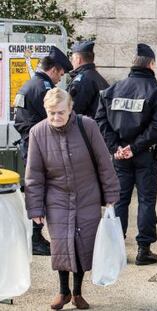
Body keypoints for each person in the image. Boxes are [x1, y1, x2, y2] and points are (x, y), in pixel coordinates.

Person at [25, 88, 120, 310]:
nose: (55, 117)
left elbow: (103, 164)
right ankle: (63, 291)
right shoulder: (37, 133)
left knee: (82, 245)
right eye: (51, 113)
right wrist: (35, 208)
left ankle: (77, 292)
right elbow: (34, 175)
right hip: (56, 197)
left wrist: (111, 195)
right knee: (61, 244)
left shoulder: (88, 126)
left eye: (60, 112)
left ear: (70, 109)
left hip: (87, 194)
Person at [96, 43, 157, 265]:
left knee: (119, 201)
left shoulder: (114, 89)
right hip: (145, 155)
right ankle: (143, 250)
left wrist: (116, 147)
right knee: (147, 201)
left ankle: (116, 248)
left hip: (120, 156)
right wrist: (135, 148)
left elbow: (100, 120)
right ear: (151, 64)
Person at [13, 46, 73, 256]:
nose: (60, 80)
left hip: (28, 143)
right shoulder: (45, 89)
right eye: (61, 74)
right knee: (40, 190)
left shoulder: (28, 85)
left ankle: (33, 235)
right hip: (40, 146)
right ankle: (35, 237)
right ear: (55, 70)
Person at [67, 41, 109, 118]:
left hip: (84, 128)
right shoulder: (98, 78)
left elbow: (73, 111)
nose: (71, 62)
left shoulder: (82, 80)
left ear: (78, 59)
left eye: (72, 58)